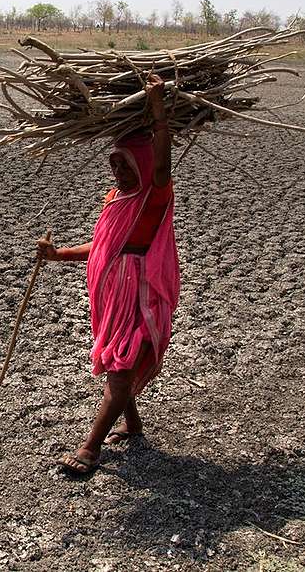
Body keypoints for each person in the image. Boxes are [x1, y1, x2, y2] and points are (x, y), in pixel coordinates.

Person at [36, 74, 180, 474]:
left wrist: (157, 110)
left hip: (138, 293)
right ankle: (132, 426)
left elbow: (163, 161)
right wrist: (58, 254)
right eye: (114, 163)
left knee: (119, 368)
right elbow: (102, 247)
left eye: (126, 163)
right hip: (111, 294)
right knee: (120, 358)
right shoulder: (116, 199)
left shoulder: (154, 194)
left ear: (144, 163)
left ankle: (89, 450)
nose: (118, 171)